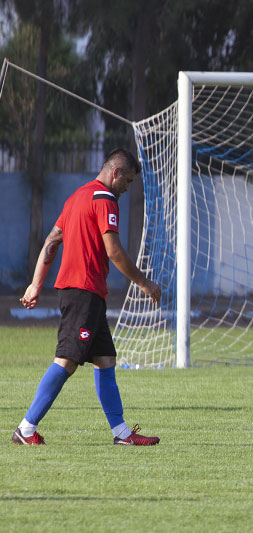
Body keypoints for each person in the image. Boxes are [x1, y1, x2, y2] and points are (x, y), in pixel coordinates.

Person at [13, 148, 162, 446]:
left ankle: (121, 434)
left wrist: (35, 285)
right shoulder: (105, 199)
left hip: (83, 292)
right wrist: (143, 282)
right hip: (84, 292)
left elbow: (52, 240)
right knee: (67, 360)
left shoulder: (77, 197)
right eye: (128, 181)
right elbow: (114, 251)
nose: (127, 188)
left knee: (105, 360)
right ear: (116, 173)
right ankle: (26, 429)